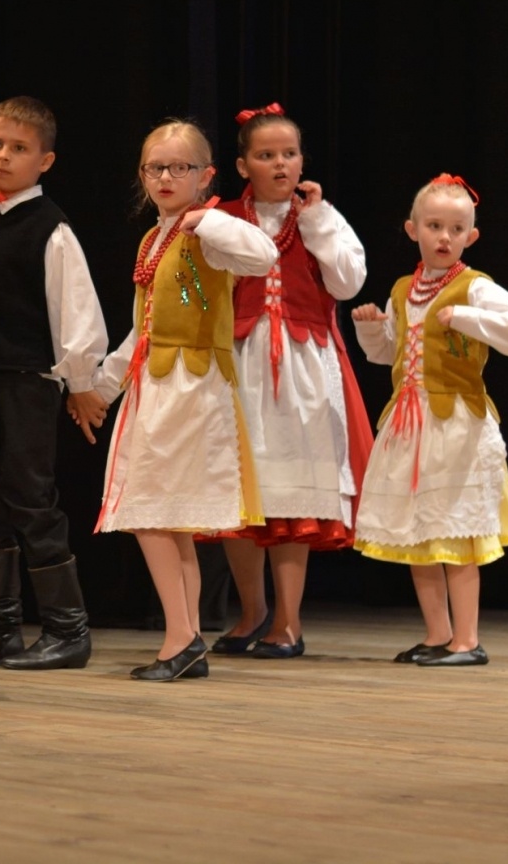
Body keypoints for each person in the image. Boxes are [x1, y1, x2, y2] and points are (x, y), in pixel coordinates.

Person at [92, 119, 276, 682]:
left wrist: (211, 218)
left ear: (206, 176)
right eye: (156, 168)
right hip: (155, 386)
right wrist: (101, 385)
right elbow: (142, 329)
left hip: (192, 389)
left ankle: (181, 636)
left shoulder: (208, 233)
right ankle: (187, 637)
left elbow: (263, 256)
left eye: (180, 168)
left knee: (150, 511)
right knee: (168, 521)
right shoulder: (155, 239)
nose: (167, 177)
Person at [350, 173, 508, 667]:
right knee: (420, 531)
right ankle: (438, 634)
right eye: (434, 225)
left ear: (470, 237)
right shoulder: (401, 289)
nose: (444, 237)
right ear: (412, 229)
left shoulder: (474, 288)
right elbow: (391, 355)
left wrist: (467, 319)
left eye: (456, 229)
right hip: (410, 423)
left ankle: (467, 639)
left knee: (457, 532)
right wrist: (372, 331)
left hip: (456, 423)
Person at [0, 97, 108, 671]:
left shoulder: (51, 228)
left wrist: (81, 379)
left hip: (27, 382)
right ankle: (0, 626)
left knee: (30, 499)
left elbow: (75, 308)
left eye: (18, 148)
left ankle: (69, 629)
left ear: (45, 160)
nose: (3, 156)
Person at [210, 103, 374, 659]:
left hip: (302, 363)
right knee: (243, 494)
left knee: (289, 493)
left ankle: (289, 621)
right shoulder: (222, 217)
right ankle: (252, 612)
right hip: (241, 362)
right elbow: (190, 290)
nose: (280, 163)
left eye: (289, 153)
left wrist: (318, 218)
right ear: (242, 165)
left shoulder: (320, 217)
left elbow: (348, 281)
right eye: (266, 155)